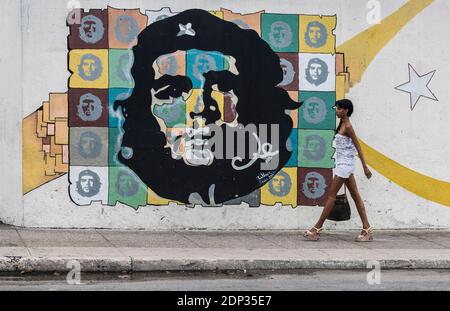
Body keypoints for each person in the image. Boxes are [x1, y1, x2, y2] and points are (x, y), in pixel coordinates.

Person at [114, 9, 301, 205]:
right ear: (143, 102)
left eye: (223, 89)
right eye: (171, 92)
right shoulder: (145, 164)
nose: (199, 110)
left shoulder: (264, 160)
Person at [303, 99, 373, 242]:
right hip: (343, 165)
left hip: (345, 167)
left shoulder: (348, 126)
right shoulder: (342, 124)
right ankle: (367, 229)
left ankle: (316, 229)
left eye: (340, 109)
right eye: (337, 108)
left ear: (346, 110)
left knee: (331, 196)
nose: (337, 110)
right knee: (355, 195)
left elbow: (358, 147)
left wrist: (365, 167)